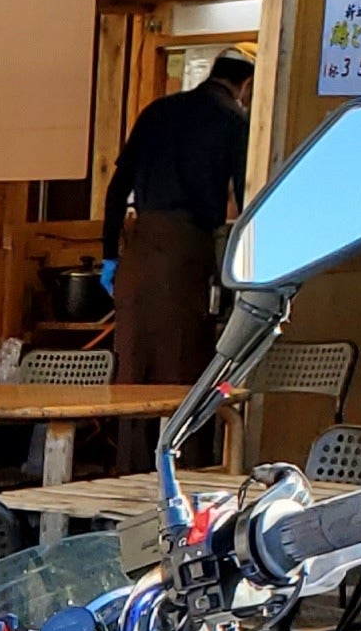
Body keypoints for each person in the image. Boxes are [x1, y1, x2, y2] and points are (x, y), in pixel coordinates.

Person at [102, 52, 254, 388]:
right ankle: (176, 427)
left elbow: (117, 189)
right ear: (245, 85)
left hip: (137, 253)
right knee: (180, 367)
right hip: (186, 253)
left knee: (132, 364)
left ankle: (132, 427)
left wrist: (109, 254)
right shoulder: (233, 120)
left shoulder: (157, 111)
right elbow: (247, 198)